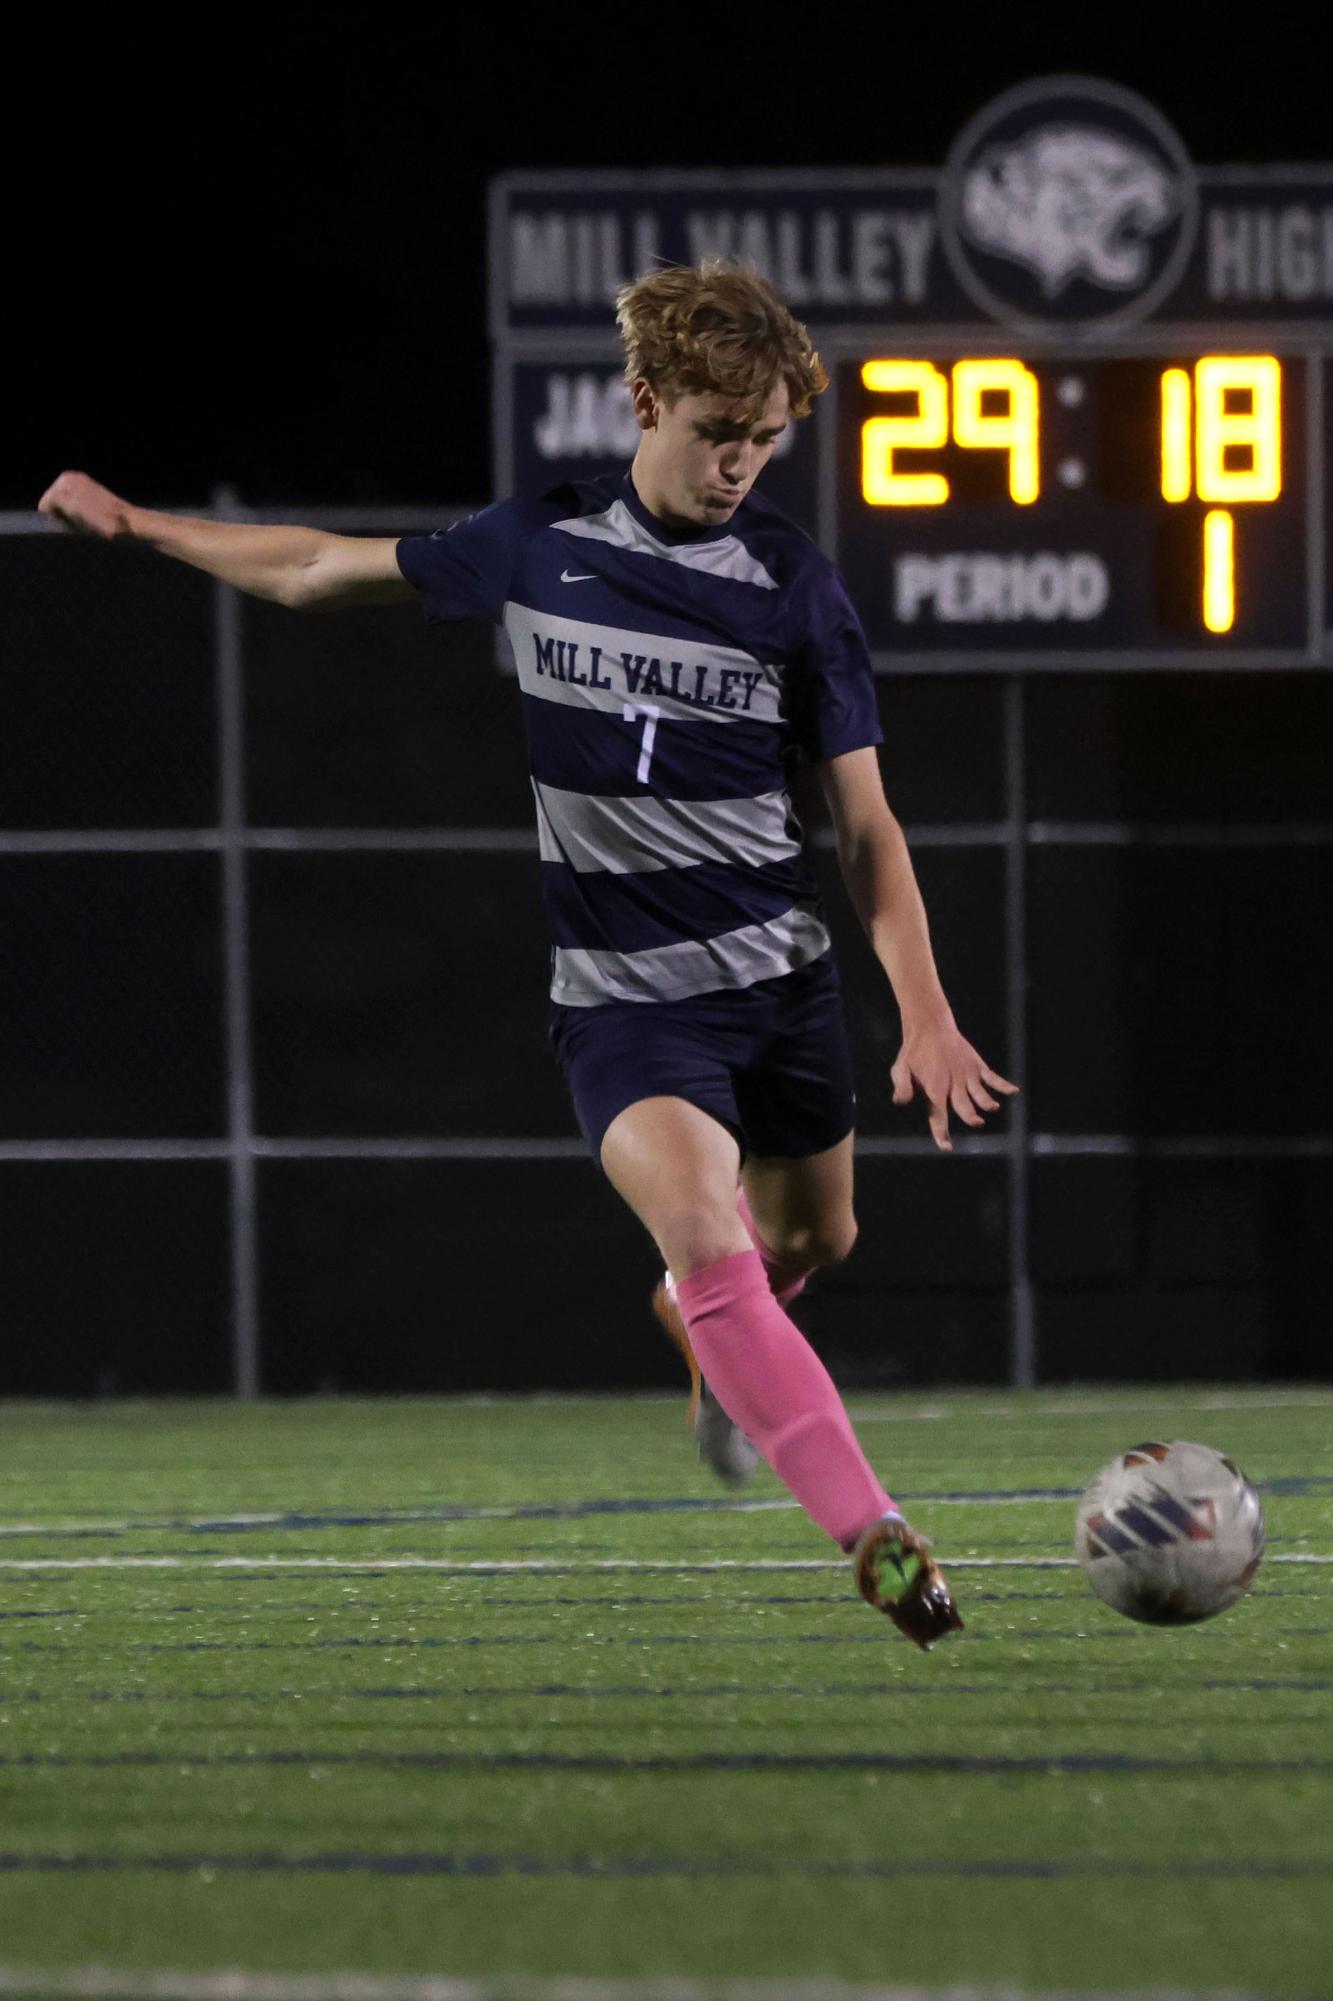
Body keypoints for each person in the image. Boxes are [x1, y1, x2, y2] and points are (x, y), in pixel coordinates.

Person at [39, 261, 1016, 1648]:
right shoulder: (539, 544)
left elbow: (864, 828)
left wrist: (922, 1011)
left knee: (815, 1235)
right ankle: (877, 1538)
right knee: (700, 1225)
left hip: (774, 989)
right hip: (624, 1011)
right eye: (713, 430)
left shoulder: (790, 588)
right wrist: (141, 524)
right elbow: (316, 566)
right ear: (644, 400)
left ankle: (704, 1322)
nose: (737, 462)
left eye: (763, 439)